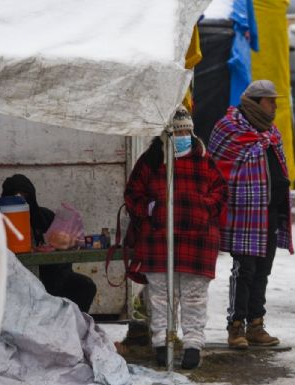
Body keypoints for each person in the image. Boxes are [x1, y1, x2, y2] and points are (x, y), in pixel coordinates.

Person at [124, 105, 227, 369]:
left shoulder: (204, 159)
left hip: (197, 240)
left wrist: (202, 208)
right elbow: (133, 195)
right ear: (166, 134)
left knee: (194, 296)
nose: (184, 136)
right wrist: (151, 208)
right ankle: (162, 341)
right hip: (159, 240)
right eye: (178, 132)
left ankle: (193, 344)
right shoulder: (150, 162)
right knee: (160, 296)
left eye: (187, 132)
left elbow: (220, 192)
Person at [208, 80, 294, 349]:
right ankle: (236, 327)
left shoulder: (270, 132)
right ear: (255, 103)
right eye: (270, 101)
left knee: (263, 271)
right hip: (244, 214)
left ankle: (256, 325)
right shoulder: (230, 129)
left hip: (268, 213)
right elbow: (219, 169)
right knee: (244, 269)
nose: (275, 106)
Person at [1, 174, 97, 312]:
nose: (21, 201)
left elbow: (64, 253)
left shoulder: (45, 218)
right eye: (14, 197)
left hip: (51, 282)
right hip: (14, 286)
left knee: (85, 286)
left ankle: (74, 327)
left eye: (25, 196)